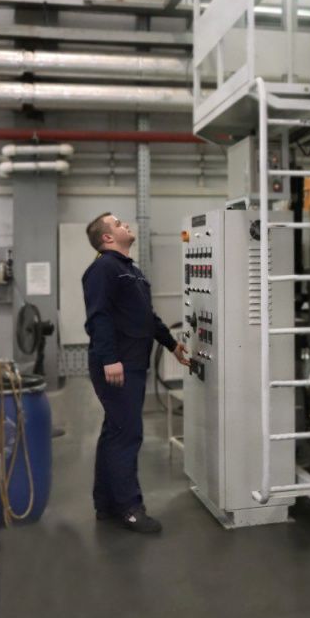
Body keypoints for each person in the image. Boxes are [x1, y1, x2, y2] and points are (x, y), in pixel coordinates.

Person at [82, 213, 189, 533]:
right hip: (119, 365)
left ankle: (105, 503)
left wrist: (172, 344)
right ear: (107, 238)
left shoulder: (131, 271)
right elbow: (98, 316)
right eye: (117, 224)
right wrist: (110, 359)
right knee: (127, 435)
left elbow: (147, 317)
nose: (125, 225)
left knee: (115, 431)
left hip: (132, 362)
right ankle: (129, 507)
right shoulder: (103, 268)